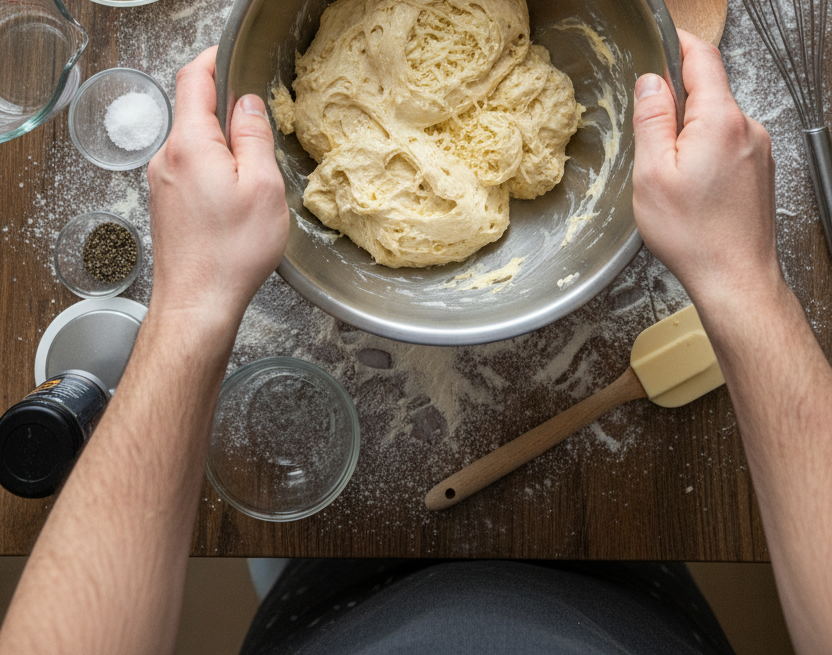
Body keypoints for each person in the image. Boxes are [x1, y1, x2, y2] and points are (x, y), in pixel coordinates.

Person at [0, 34, 830, 655]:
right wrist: (745, 285)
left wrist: (191, 303)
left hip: (321, 616)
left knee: (304, 565)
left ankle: (293, 572)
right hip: (637, 607)